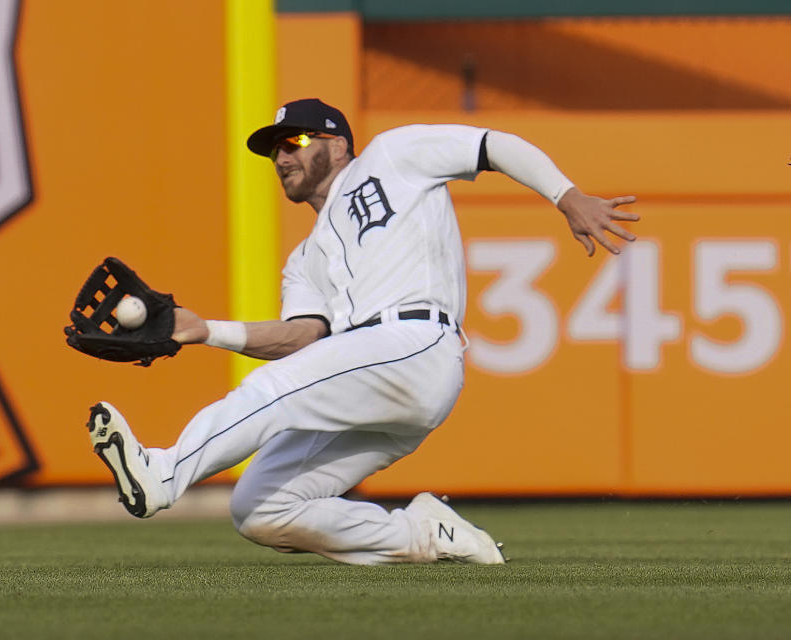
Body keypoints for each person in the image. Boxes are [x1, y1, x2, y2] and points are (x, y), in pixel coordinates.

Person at [87, 98, 638, 565]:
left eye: (294, 140)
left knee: (272, 391)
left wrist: (567, 197)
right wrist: (205, 330)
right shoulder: (304, 260)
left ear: (337, 142)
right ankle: (423, 536)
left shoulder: (393, 156)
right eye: (273, 149)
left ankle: (163, 473)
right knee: (259, 509)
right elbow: (303, 339)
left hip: (416, 342)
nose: (282, 156)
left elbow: (493, 144)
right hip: (373, 373)